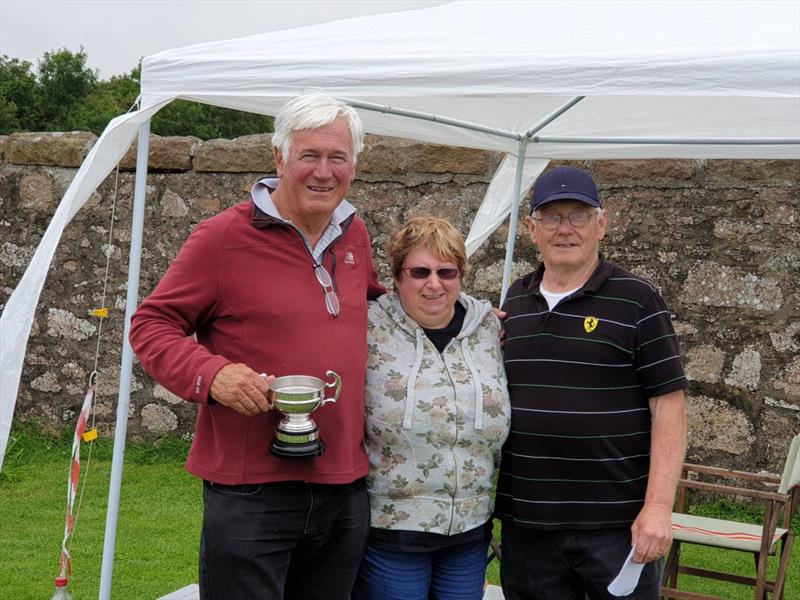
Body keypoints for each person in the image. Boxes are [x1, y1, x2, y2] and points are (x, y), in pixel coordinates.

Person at [129, 94, 386, 600]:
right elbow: (152, 324)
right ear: (279, 158)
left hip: (344, 484)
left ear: (354, 166)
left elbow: (380, 307)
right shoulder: (221, 237)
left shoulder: (354, 235)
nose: (323, 171)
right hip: (252, 491)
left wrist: (467, 317)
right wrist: (213, 375)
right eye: (309, 155)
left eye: (337, 158)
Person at [495, 166, 688, 599]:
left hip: (616, 527)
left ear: (601, 224)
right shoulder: (514, 303)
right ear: (531, 229)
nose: (565, 229)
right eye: (551, 216)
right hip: (529, 526)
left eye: (578, 215)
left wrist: (658, 507)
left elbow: (669, 407)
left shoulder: (638, 300)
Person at [351, 216, 511, 600]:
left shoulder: (488, 329)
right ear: (398, 276)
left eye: (446, 271)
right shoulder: (367, 326)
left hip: (470, 533)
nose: (434, 283)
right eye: (420, 271)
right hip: (392, 531)